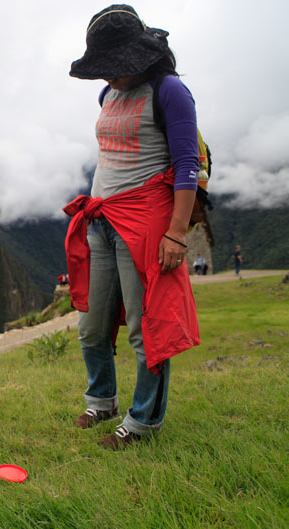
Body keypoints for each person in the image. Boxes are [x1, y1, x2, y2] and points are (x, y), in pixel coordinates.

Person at [64, 4, 200, 450]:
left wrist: (177, 233)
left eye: (114, 68)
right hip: (102, 220)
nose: (109, 77)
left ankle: (143, 424)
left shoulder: (170, 92)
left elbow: (185, 165)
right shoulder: (109, 95)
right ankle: (101, 399)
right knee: (93, 326)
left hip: (145, 225)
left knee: (148, 329)